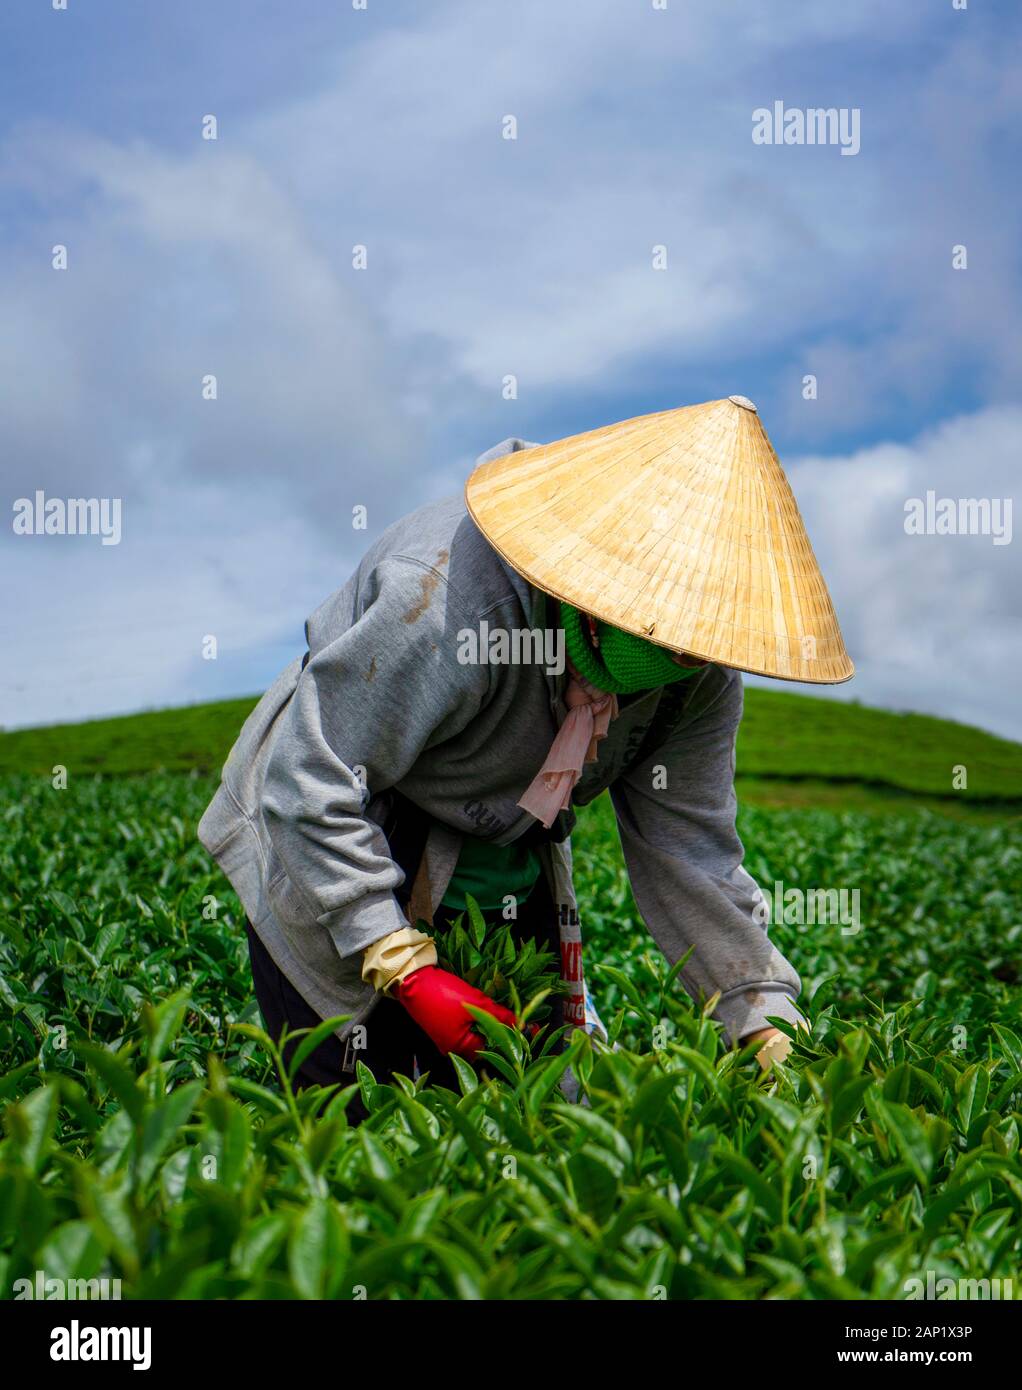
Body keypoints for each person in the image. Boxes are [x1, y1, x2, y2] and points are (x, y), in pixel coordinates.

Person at [199, 395, 853, 1115]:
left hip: (505, 842)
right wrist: (401, 962)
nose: (677, 656)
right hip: (340, 822)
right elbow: (311, 780)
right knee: (360, 1101)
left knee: (525, 1103)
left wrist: (760, 1018)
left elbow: (692, 854)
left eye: (694, 644)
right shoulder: (447, 598)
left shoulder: (697, 682)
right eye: (657, 629)